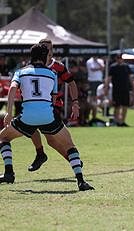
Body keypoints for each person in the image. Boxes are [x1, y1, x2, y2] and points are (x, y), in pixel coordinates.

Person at [0, 43, 94, 191]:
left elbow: (12, 89)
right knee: (69, 145)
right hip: (48, 116)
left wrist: (9, 112)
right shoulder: (52, 74)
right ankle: (81, 181)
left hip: (27, 117)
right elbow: (53, 98)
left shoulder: (20, 72)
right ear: (45, 58)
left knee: (3, 138)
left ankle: (9, 172)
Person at [27, 39, 80, 172]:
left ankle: (42, 154)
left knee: (45, 135)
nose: (48, 51)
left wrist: (75, 102)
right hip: (36, 105)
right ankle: (70, 159)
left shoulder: (59, 67)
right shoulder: (32, 66)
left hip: (53, 105)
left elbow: (72, 83)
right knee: (42, 135)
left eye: (50, 49)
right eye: (45, 48)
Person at [105, 53, 132, 127]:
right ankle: (117, 121)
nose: (120, 59)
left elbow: (130, 78)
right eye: (118, 58)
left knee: (125, 106)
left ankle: (123, 121)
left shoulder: (126, 67)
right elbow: (109, 78)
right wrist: (106, 88)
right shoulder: (113, 67)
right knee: (117, 106)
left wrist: (133, 87)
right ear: (116, 59)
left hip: (125, 89)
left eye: (121, 58)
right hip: (116, 90)